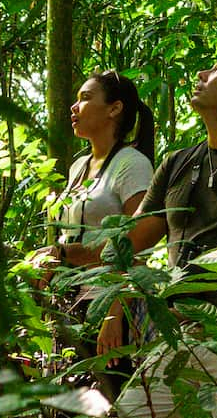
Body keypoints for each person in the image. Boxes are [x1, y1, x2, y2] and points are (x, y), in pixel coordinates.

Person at [46, 50, 217, 418]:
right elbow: (125, 244)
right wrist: (63, 255)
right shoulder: (177, 164)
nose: (202, 73)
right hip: (179, 333)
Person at [51, 70, 158, 399]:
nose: (74, 107)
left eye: (85, 98)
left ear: (114, 108)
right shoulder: (78, 166)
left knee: (110, 400)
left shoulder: (132, 164)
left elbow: (136, 244)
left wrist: (115, 311)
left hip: (110, 306)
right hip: (70, 304)